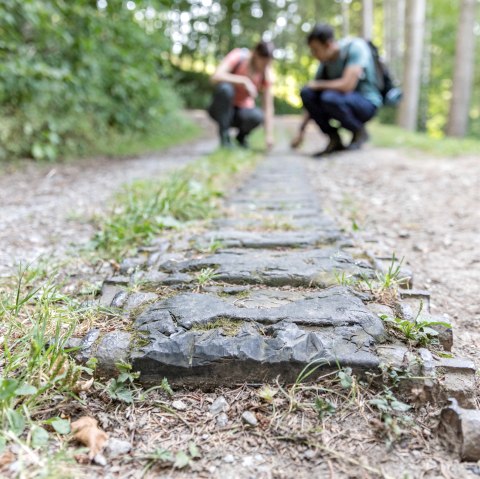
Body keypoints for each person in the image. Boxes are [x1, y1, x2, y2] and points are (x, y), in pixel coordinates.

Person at [291, 23, 382, 157]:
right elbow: (311, 99)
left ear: (328, 44)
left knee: (328, 97)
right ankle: (334, 139)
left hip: (366, 103)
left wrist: (318, 85)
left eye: (316, 50)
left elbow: (347, 85)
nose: (313, 55)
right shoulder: (325, 63)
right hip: (339, 101)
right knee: (307, 93)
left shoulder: (355, 48)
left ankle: (359, 131)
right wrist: (301, 131)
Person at [208, 41, 274, 149]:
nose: (265, 66)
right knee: (225, 89)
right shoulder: (238, 56)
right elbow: (215, 77)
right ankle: (225, 138)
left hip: (241, 112)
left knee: (258, 116)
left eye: (268, 63)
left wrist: (269, 136)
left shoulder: (265, 73)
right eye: (263, 63)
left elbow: (268, 106)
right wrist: (243, 81)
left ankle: (241, 137)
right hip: (222, 109)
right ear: (256, 54)